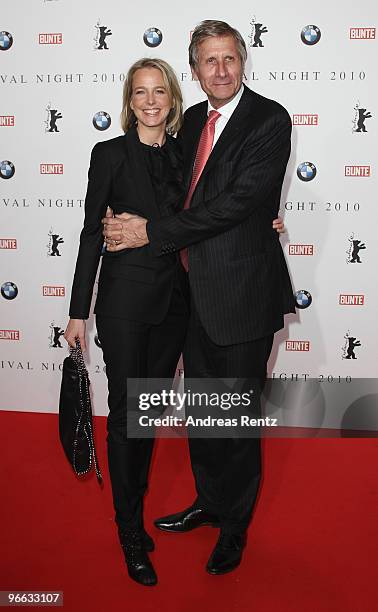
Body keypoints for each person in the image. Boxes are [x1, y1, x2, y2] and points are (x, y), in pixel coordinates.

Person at [102, 20, 295, 576]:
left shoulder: (269, 119)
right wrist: (119, 213)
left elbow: (236, 201)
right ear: (194, 69)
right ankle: (210, 502)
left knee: (235, 420)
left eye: (229, 58)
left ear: (243, 62)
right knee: (204, 417)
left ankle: (234, 528)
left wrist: (152, 233)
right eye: (209, 61)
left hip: (241, 296)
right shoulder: (189, 121)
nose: (220, 70)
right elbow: (167, 186)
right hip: (190, 296)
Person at [64, 58, 190, 587]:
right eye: (140, 93)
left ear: (172, 97)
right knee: (124, 416)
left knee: (147, 416)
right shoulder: (109, 154)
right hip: (122, 303)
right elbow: (93, 231)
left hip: (174, 304)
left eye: (159, 91)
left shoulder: (188, 155)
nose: (150, 101)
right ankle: (128, 530)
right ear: (129, 101)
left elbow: (203, 219)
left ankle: (133, 514)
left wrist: (263, 220)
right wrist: (77, 309)